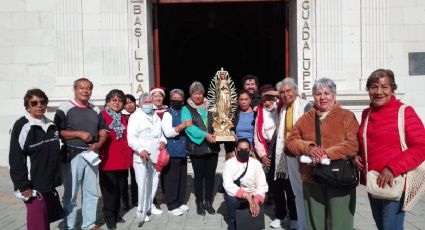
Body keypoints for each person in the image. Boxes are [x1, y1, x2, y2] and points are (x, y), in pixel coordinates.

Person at [354, 69, 425, 230]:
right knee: (382, 226)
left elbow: (421, 146)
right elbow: (365, 141)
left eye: (384, 87)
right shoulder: (367, 113)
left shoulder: (405, 112)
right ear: (368, 90)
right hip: (373, 181)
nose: (379, 91)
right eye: (373, 87)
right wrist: (356, 155)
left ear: (392, 89)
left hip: (396, 181)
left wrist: (392, 169)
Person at [286, 78, 359, 230]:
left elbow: (353, 145)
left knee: (340, 222)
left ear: (334, 95)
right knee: (315, 222)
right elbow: (291, 142)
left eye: (327, 93)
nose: (323, 97)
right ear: (313, 97)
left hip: (340, 176)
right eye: (318, 94)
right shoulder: (305, 119)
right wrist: (309, 148)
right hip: (312, 177)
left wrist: (327, 153)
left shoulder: (346, 116)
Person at [55, 78, 108, 230]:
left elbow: (103, 130)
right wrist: (79, 134)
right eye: (81, 88)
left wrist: (99, 142)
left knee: (91, 192)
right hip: (72, 155)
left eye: (88, 88)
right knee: (71, 194)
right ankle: (69, 225)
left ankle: (89, 224)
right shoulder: (64, 107)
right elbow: (58, 132)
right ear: (75, 89)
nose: (85, 91)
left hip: (91, 155)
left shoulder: (95, 109)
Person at [9, 88, 61, 230]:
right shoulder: (22, 126)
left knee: (45, 219)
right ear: (27, 106)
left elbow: (54, 152)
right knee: (37, 222)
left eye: (42, 102)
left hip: (48, 183)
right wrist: (23, 185)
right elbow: (15, 158)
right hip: (33, 185)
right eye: (34, 103)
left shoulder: (51, 125)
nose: (39, 105)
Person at [254, 84, 296, 229]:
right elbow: (257, 135)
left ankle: (295, 217)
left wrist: (274, 92)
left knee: (290, 187)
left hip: (285, 151)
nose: (267, 102)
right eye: (264, 99)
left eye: (270, 98)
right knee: (276, 188)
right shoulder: (259, 111)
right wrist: (263, 155)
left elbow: (291, 96)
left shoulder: (282, 107)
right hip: (270, 152)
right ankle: (280, 215)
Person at [275, 78, 311, 230]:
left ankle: (310, 223)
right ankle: (302, 224)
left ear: (296, 91)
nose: (285, 94)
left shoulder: (305, 106)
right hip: (289, 154)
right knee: (296, 191)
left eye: (289, 91)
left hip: (303, 155)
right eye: (282, 92)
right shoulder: (283, 109)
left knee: (307, 190)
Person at [127, 93, 166, 223]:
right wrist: (140, 149)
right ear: (141, 103)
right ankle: (141, 210)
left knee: (154, 182)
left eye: (150, 102)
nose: (149, 104)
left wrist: (162, 141)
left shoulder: (155, 116)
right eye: (146, 102)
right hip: (142, 155)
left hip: (156, 154)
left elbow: (161, 133)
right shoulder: (135, 116)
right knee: (142, 184)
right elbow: (131, 138)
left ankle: (150, 205)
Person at [182, 81, 220, 215]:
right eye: (195, 93)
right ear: (191, 94)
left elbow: (219, 122)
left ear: (203, 93)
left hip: (213, 148)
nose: (198, 96)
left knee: (210, 177)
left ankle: (208, 201)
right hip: (197, 147)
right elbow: (189, 127)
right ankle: (199, 202)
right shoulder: (186, 109)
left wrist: (221, 132)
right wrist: (205, 135)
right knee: (198, 177)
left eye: (200, 93)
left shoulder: (212, 107)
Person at [98, 89, 133, 229]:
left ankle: (117, 213)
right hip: (108, 160)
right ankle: (109, 217)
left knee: (120, 189)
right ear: (108, 102)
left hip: (123, 160)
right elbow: (97, 134)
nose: (117, 103)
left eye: (120, 100)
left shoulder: (123, 117)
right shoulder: (102, 115)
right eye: (114, 100)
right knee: (109, 191)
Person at [223, 138, 268, 230]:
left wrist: (256, 200)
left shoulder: (256, 164)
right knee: (231, 200)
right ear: (236, 149)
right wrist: (246, 195)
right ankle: (233, 222)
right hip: (237, 194)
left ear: (250, 151)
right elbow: (228, 185)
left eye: (246, 150)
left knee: (257, 209)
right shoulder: (229, 164)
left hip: (253, 194)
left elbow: (262, 184)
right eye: (240, 149)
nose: (243, 151)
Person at [161, 89, 192, 216]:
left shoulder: (185, 111)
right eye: (174, 99)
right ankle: (172, 204)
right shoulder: (167, 114)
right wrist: (182, 126)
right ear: (170, 100)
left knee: (182, 177)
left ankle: (180, 201)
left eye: (179, 100)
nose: (177, 102)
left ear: (183, 100)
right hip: (172, 150)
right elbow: (168, 132)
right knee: (172, 178)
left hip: (184, 149)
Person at [121, 94, 138, 209]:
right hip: (123, 150)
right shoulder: (120, 116)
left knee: (136, 175)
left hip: (136, 150)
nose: (130, 104)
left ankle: (136, 199)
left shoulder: (140, 114)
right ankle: (125, 202)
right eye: (127, 103)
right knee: (123, 178)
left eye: (131, 101)